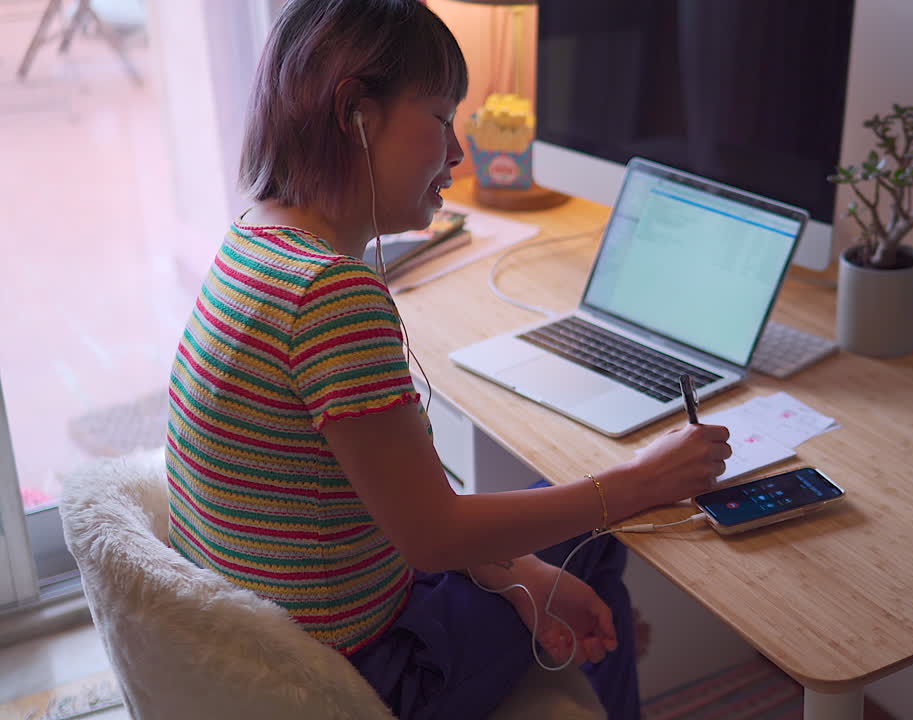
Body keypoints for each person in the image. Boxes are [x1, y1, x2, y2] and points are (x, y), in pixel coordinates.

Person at [163, 1, 732, 718]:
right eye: (441, 118)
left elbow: (398, 508)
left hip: (306, 627)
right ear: (356, 114)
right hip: (372, 672)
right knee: (602, 533)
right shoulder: (330, 295)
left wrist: (520, 574)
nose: (458, 151)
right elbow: (432, 535)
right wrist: (642, 482)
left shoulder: (253, 240)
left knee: (565, 534)